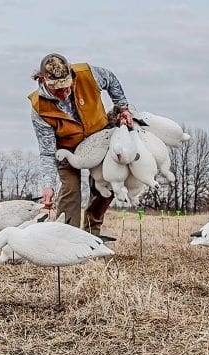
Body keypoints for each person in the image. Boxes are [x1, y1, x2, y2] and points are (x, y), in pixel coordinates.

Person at [28, 53, 134, 235]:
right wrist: (48, 185)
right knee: (70, 191)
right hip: (66, 149)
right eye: (57, 89)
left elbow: (110, 79)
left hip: (100, 138)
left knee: (106, 183)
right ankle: (67, 237)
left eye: (66, 86)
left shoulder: (87, 74)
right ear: (44, 81)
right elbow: (46, 152)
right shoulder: (39, 109)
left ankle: (93, 232)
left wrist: (122, 107)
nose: (63, 92)